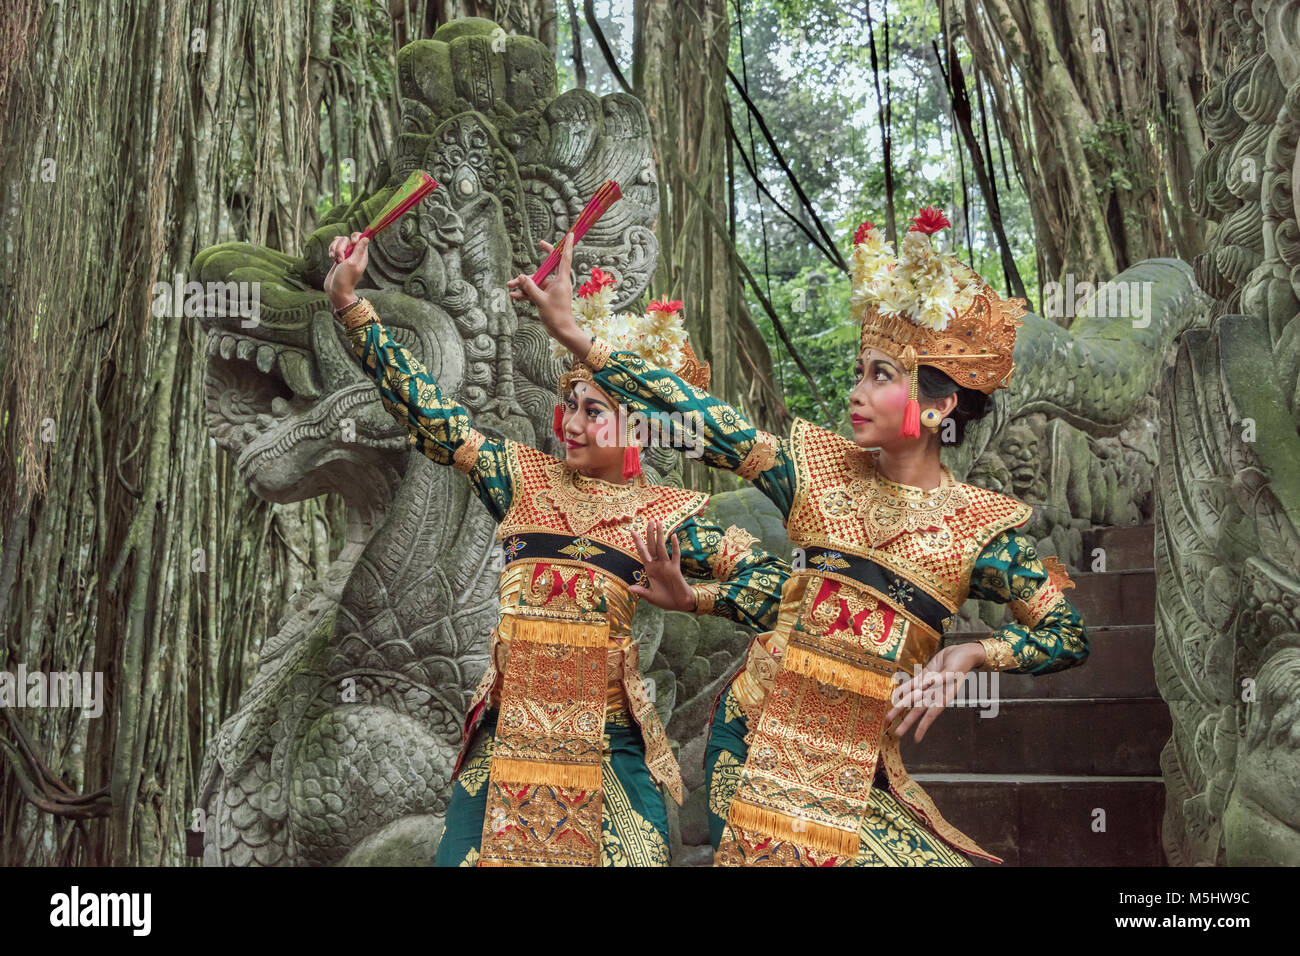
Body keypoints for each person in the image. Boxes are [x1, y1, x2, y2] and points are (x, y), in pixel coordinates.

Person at [511, 208, 1089, 866]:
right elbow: (702, 417)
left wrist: (973, 654)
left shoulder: (979, 532)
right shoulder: (813, 475)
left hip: (860, 772)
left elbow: (1065, 634)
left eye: (881, 375)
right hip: (760, 738)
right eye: (860, 370)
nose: (856, 391)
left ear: (937, 406)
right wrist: (580, 340)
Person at [326, 231, 788, 867]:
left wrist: (695, 598)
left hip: (612, 760)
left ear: (640, 426)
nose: (570, 423)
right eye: (569, 405)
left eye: (593, 410)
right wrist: (351, 304)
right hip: (504, 750)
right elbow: (428, 413)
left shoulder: (670, 517)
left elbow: (785, 598)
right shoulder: (522, 479)